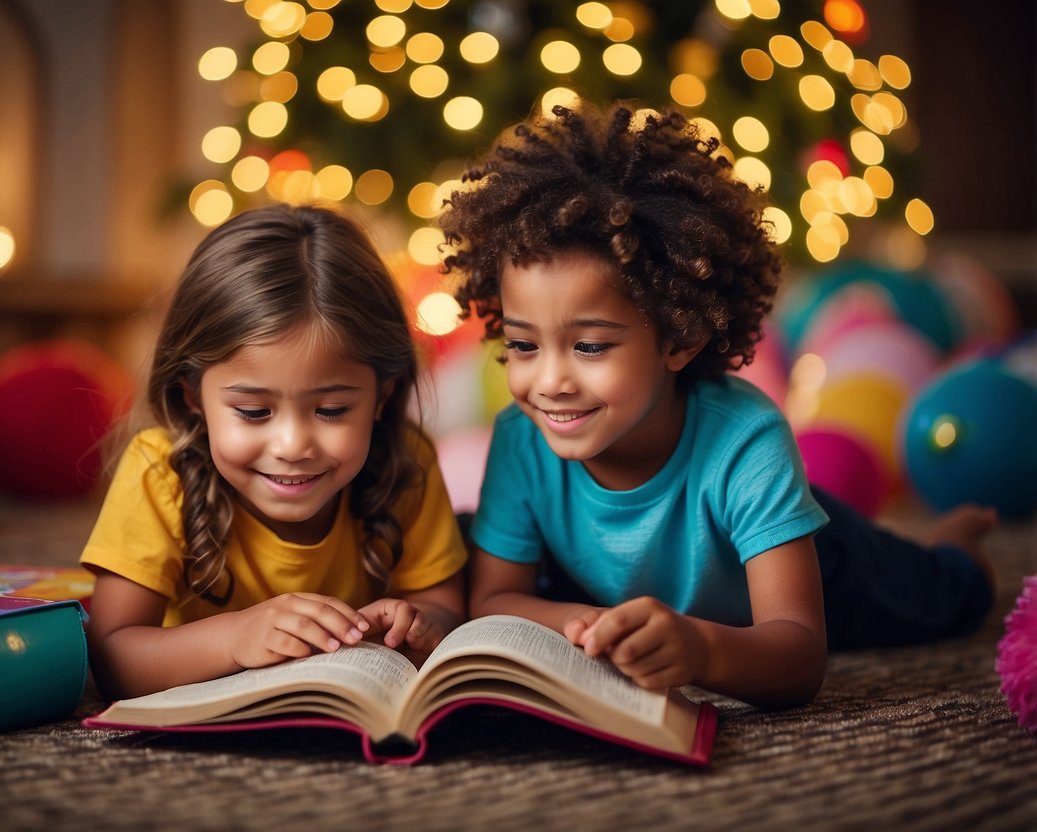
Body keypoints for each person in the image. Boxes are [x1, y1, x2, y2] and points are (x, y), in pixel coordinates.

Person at [439, 100, 996, 709]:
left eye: (590, 346)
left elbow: (802, 652)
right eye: (523, 344)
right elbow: (493, 601)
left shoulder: (747, 442)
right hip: (643, 590)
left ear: (680, 339)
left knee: (948, 594)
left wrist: (701, 650)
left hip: (835, 570)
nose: (548, 382)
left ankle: (956, 538)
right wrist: (592, 625)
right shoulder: (522, 438)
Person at [82, 203, 467, 700]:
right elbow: (113, 655)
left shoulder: (407, 461)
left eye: (330, 410)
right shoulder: (161, 471)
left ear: (383, 397)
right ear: (192, 396)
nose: (292, 446)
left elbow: (444, 603)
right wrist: (237, 637)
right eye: (253, 412)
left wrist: (415, 621)